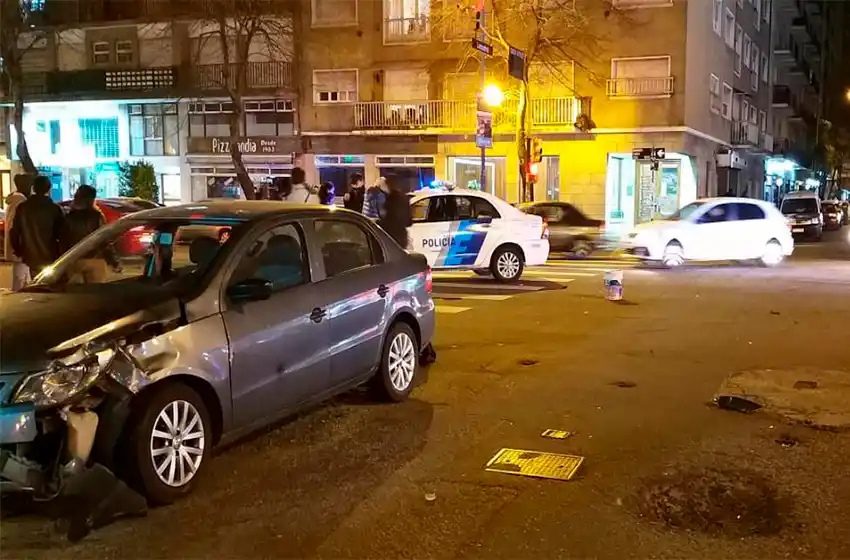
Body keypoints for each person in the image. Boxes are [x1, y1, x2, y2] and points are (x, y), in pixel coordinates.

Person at [10, 175, 67, 278]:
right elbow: (63, 234)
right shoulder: (54, 209)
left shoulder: (23, 208)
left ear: (34, 188)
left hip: (30, 255)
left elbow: (14, 232)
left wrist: (18, 250)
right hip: (51, 255)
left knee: (36, 282)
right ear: (49, 189)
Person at [64, 185, 121, 283]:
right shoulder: (97, 216)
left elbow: (63, 241)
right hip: (95, 260)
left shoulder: (68, 218)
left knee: (75, 295)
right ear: (92, 199)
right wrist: (114, 261)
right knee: (94, 294)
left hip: (74, 260)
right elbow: (104, 240)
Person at [4, 174, 33, 290]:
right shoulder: (20, 201)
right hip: (20, 247)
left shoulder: (16, 199)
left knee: (25, 279)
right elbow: (14, 227)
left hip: (19, 247)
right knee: (20, 281)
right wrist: (19, 247)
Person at [378, 180, 412, 249]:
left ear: (388, 186)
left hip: (392, 236)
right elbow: (409, 221)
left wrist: (377, 223)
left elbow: (387, 217)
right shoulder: (405, 198)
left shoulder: (391, 198)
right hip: (402, 235)